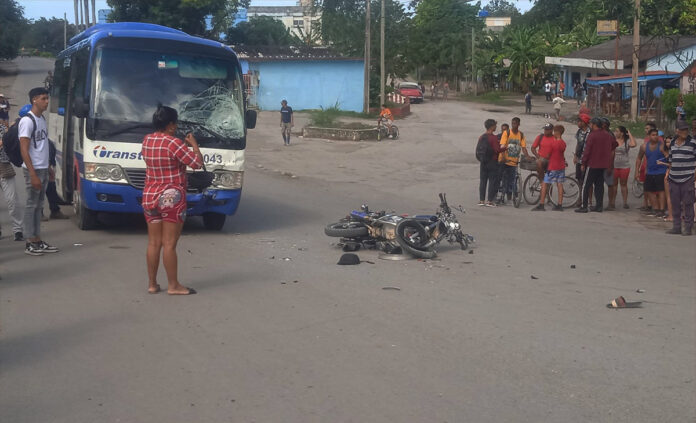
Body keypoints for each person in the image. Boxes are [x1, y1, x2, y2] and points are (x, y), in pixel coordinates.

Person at [142, 105, 204, 295]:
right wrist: (194, 145)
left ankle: (152, 284)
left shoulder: (147, 141)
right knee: (169, 244)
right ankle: (173, 285)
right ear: (170, 125)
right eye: (175, 123)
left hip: (150, 195)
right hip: (172, 196)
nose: (176, 127)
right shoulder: (174, 143)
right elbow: (197, 163)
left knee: (154, 243)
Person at [19, 87, 58, 256]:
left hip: (42, 168)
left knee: (38, 205)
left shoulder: (41, 118)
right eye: (43, 98)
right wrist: (33, 173)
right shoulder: (27, 121)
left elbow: (42, 147)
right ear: (34, 99)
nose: (47, 101)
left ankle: (37, 239)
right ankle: (29, 242)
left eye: (47, 98)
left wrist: (48, 167)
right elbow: (24, 149)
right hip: (33, 170)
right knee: (31, 205)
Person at [575, 117, 617, 213]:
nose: (590, 125)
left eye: (591, 124)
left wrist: (583, 162)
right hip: (603, 164)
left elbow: (587, 150)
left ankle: (584, 206)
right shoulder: (607, 135)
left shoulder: (592, 135)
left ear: (594, 125)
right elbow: (615, 144)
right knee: (599, 185)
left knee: (586, 184)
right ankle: (599, 206)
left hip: (592, 163)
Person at [665, 121, 696, 235]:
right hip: (673, 178)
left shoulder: (693, 143)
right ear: (677, 130)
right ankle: (676, 227)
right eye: (682, 130)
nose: (685, 132)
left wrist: (694, 176)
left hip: (687, 178)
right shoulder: (672, 143)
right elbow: (671, 161)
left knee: (688, 204)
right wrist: (668, 174)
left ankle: (688, 227)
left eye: (686, 130)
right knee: (675, 203)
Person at [532, 125, 566, 211]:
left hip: (553, 167)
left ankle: (542, 204)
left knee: (544, 184)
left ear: (557, 132)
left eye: (554, 132)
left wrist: (545, 157)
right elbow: (561, 154)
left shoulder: (553, 143)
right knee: (559, 185)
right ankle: (559, 205)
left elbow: (548, 155)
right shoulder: (563, 143)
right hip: (561, 167)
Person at [0, 118, 23, 241]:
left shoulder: (4, 129)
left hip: (4, 166)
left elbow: (9, 143)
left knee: (12, 200)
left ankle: (17, 230)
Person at [635, 129, 667, 218]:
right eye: (653, 135)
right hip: (650, 171)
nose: (655, 136)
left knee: (661, 191)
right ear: (648, 136)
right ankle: (656, 209)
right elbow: (639, 158)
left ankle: (661, 210)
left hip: (661, 171)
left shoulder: (662, 146)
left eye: (656, 135)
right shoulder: (644, 146)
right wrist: (636, 171)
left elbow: (669, 157)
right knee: (648, 190)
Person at [498, 117, 529, 204]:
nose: (513, 125)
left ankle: (511, 196)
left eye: (515, 123)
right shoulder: (506, 133)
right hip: (505, 160)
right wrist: (503, 157)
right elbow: (503, 146)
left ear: (519, 124)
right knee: (504, 179)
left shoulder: (521, 135)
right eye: (512, 123)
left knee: (513, 180)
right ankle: (502, 196)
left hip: (514, 161)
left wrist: (527, 156)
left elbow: (523, 147)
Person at [478, 119, 507, 207]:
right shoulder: (493, 138)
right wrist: (505, 148)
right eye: (495, 125)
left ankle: (481, 200)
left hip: (483, 161)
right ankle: (490, 201)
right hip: (492, 161)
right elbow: (497, 150)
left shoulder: (482, 137)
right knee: (492, 181)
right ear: (492, 126)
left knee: (483, 181)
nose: (496, 127)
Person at [607, 126, 637, 210]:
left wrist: (629, 134)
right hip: (614, 166)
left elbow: (634, 144)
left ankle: (625, 202)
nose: (615, 133)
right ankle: (612, 202)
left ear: (622, 133)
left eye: (617, 131)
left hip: (624, 166)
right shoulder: (613, 141)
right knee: (614, 185)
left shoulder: (627, 141)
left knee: (623, 184)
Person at [573, 114, 592, 207]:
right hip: (580, 159)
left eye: (579, 121)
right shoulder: (579, 132)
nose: (578, 123)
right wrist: (575, 156)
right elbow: (578, 143)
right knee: (579, 180)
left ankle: (589, 200)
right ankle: (580, 198)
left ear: (584, 122)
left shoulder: (591, 132)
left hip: (588, 160)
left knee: (588, 181)